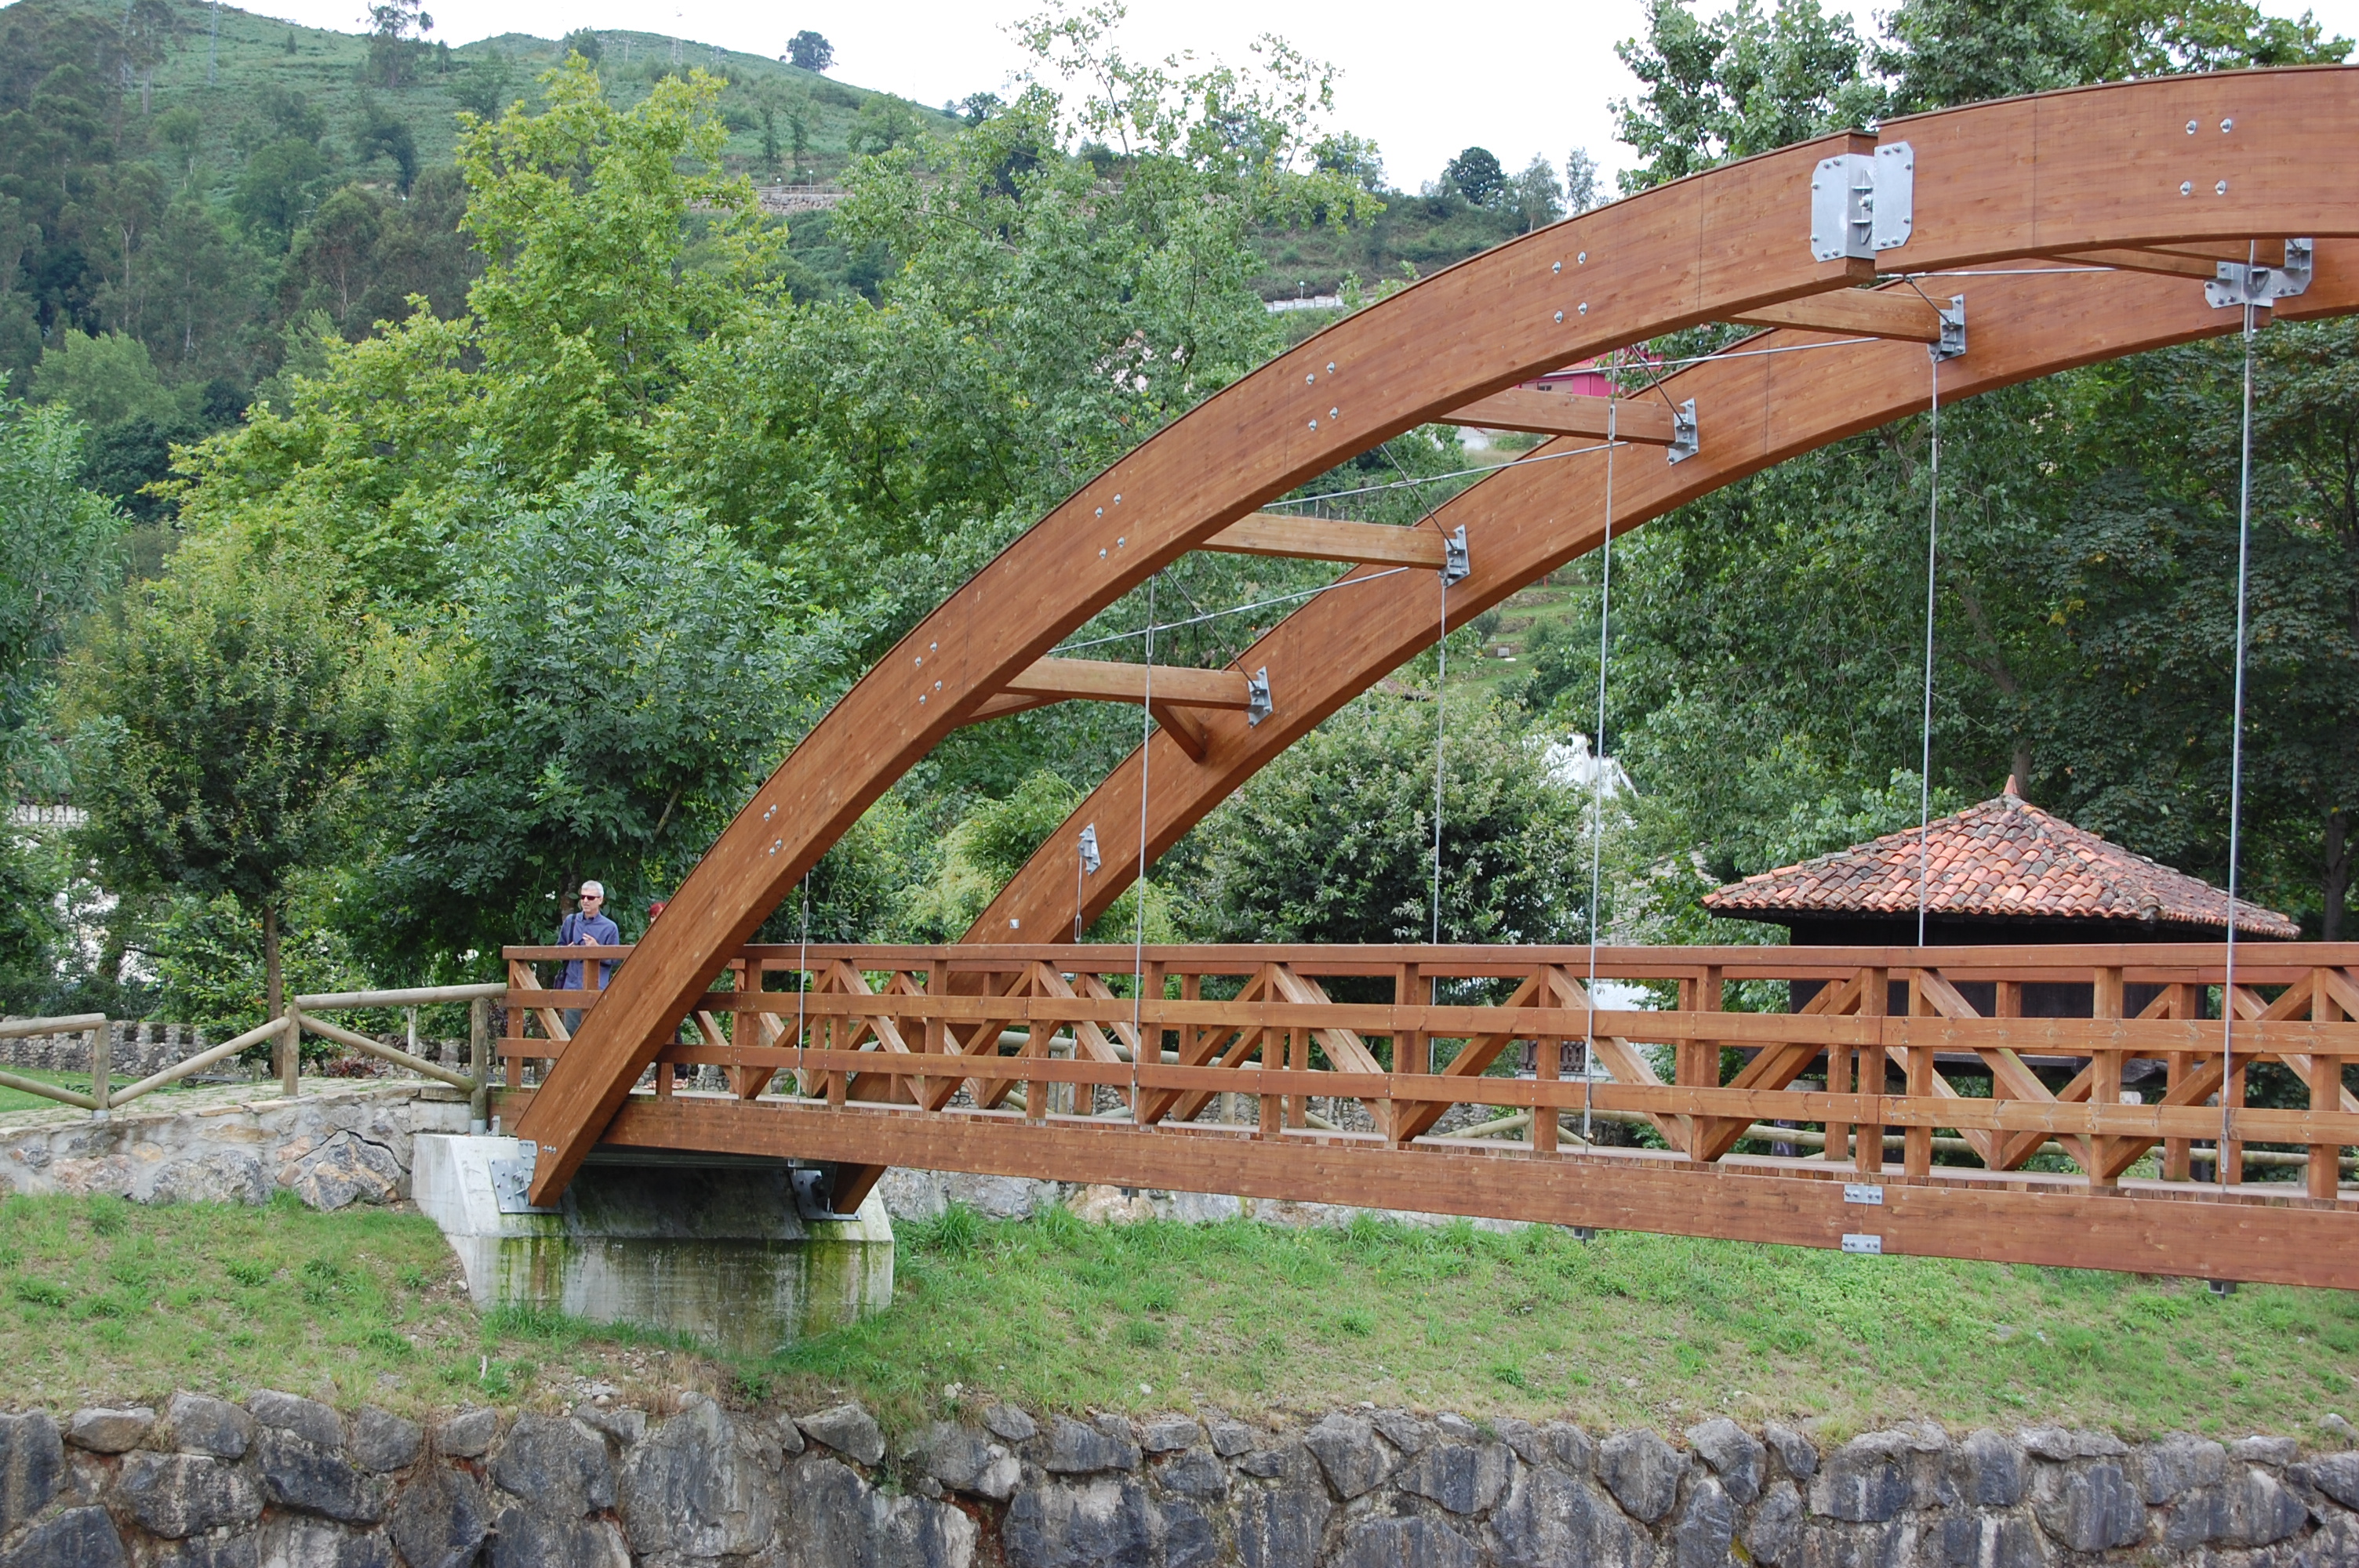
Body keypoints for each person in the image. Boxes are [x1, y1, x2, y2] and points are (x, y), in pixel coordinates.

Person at [558, 880, 620, 1031]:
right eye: (583, 897)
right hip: (572, 988)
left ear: (600, 900)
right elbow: (558, 950)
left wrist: (597, 950)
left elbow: (616, 959)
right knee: (570, 1038)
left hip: (597, 992)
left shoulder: (610, 927)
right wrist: (567, 951)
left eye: (590, 898)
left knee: (595, 1036)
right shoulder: (570, 921)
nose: (585, 901)